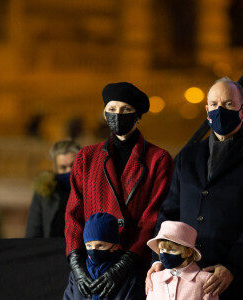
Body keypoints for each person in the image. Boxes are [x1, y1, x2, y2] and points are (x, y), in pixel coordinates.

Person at [146, 77, 243, 300]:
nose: (219, 110)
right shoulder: (187, 156)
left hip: (240, 280)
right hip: (187, 280)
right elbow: (169, 213)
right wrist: (157, 259)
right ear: (206, 109)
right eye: (214, 104)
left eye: (228, 104)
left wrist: (233, 266)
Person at [65, 82, 174, 299]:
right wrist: (77, 266)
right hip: (90, 265)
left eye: (126, 110)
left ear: (138, 116)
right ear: (105, 114)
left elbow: (154, 218)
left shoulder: (158, 159)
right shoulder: (86, 157)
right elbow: (73, 214)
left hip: (134, 266)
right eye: (112, 109)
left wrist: (124, 265)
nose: (117, 115)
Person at [63, 212, 144, 300]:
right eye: (89, 246)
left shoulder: (130, 274)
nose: (93, 250)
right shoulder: (78, 274)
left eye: (100, 245)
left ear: (115, 246)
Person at [146, 221, 218, 300]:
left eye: (172, 250)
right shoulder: (156, 278)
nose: (164, 255)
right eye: (162, 249)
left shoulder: (205, 280)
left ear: (189, 252)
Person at [25, 139, 81, 238]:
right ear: (55, 168)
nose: (69, 171)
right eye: (63, 168)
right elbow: (33, 231)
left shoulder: (91, 190)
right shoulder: (45, 191)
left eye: (73, 166)